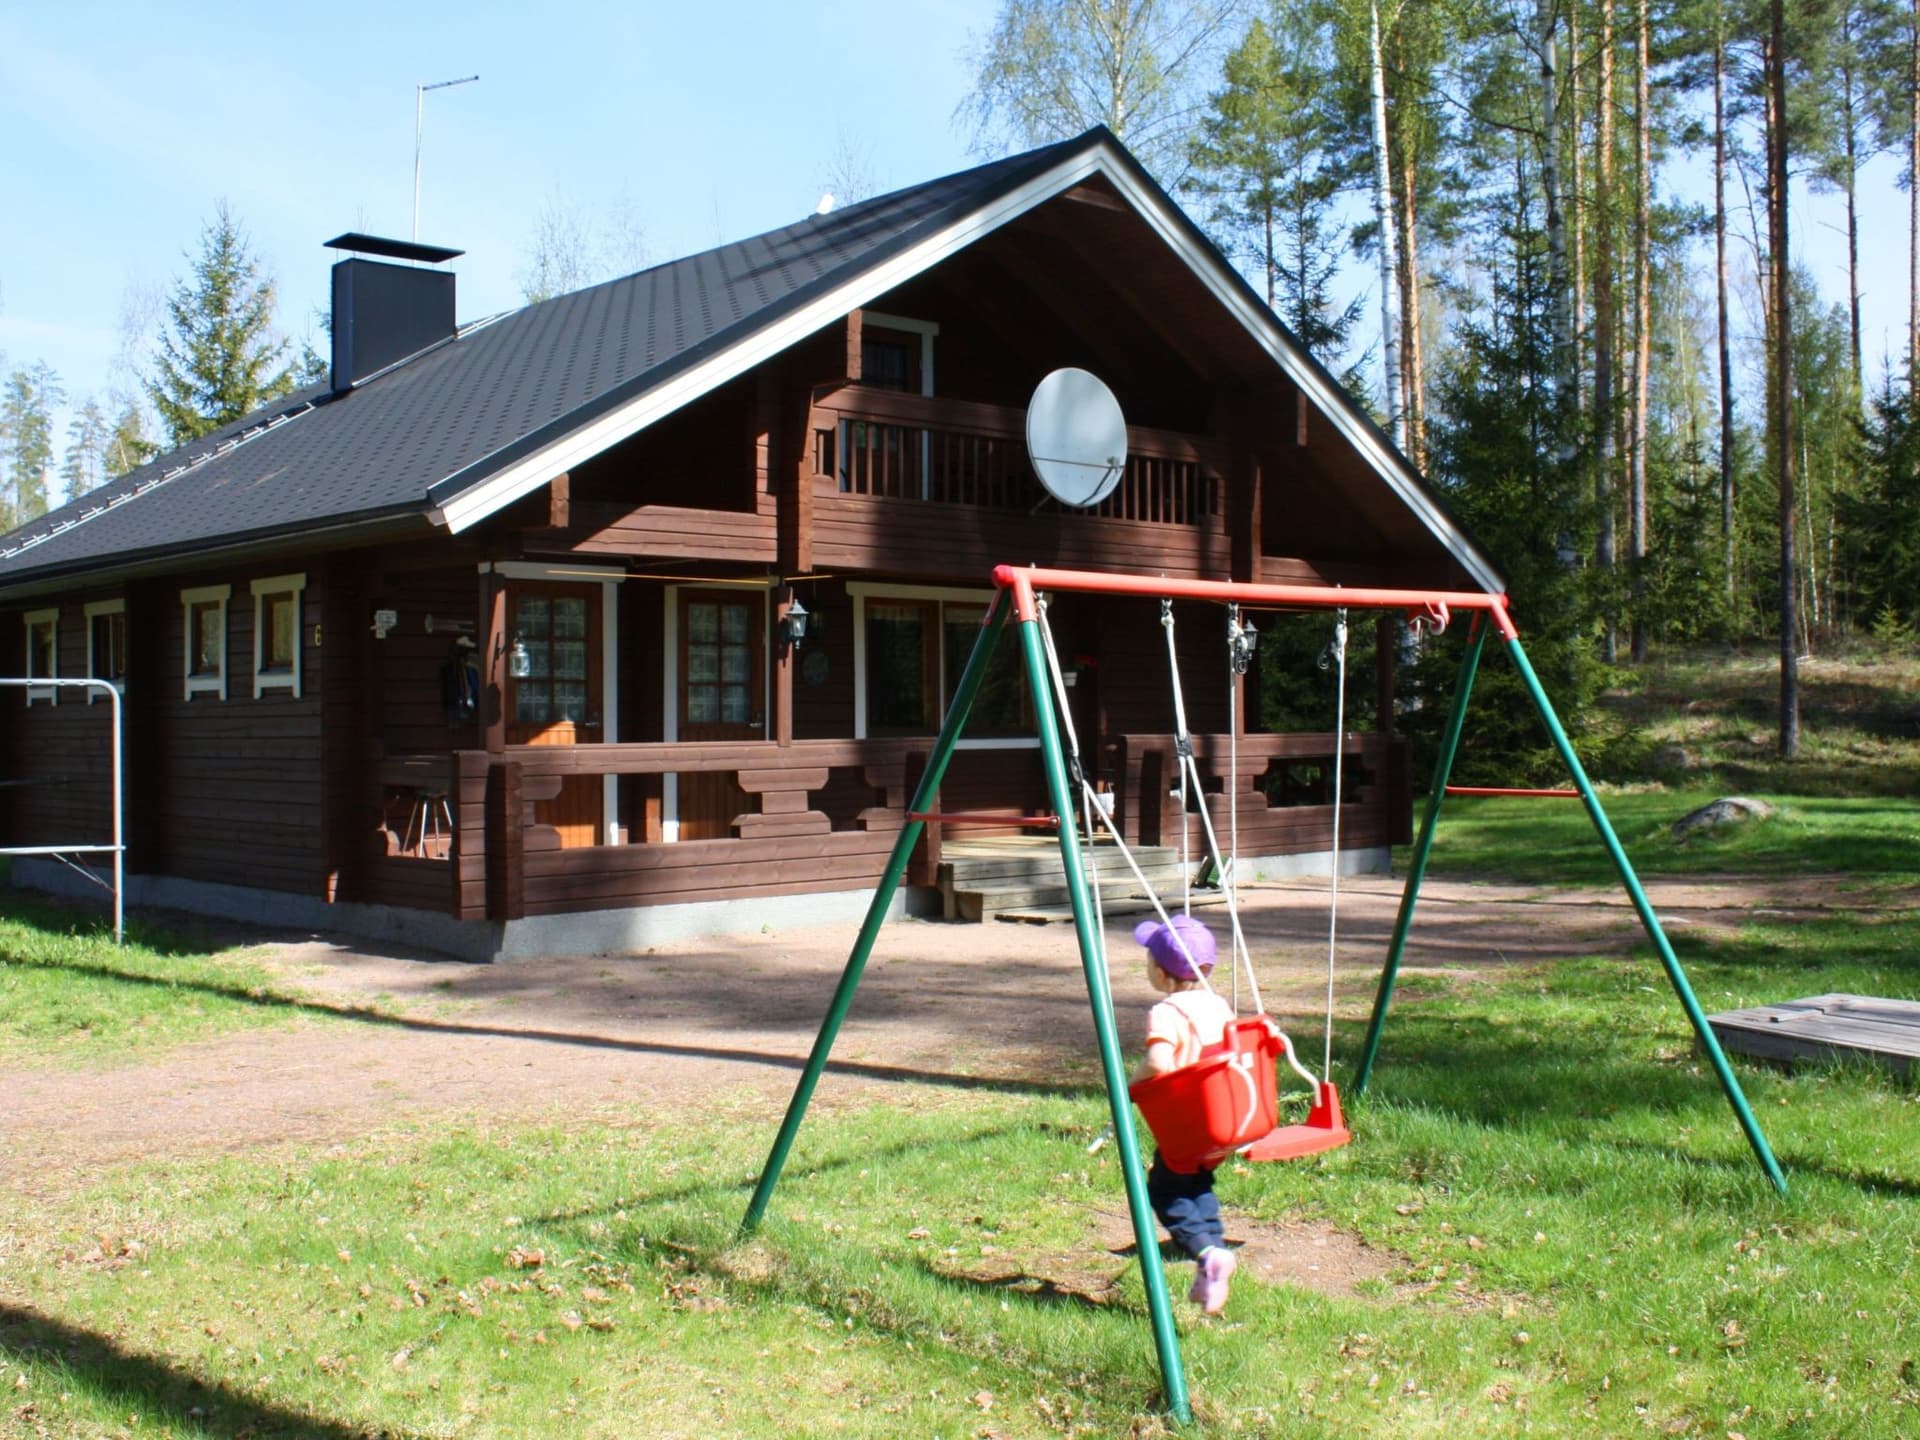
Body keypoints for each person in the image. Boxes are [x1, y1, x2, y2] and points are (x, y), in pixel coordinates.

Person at [1131, 913, 1238, 1315]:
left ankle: (1207, 1251)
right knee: (1197, 1185)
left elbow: (1160, 1061)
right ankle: (1212, 1258)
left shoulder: (1168, 1012)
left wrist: (1132, 1085)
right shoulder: (1218, 1004)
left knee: (1164, 1190)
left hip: (1188, 1123)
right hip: (1223, 1121)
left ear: (1160, 973)